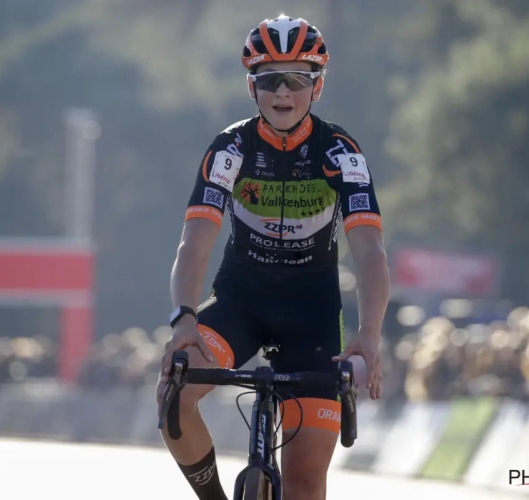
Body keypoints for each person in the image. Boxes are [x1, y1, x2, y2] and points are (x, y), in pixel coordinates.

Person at [157, 14, 389, 500]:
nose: (283, 92)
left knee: (305, 482)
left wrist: (369, 334)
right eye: (270, 80)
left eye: (297, 79)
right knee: (175, 397)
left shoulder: (339, 151)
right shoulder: (231, 148)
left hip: (313, 314)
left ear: (317, 88)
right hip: (242, 302)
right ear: (252, 87)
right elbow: (194, 242)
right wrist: (184, 318)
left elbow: (369, 252)